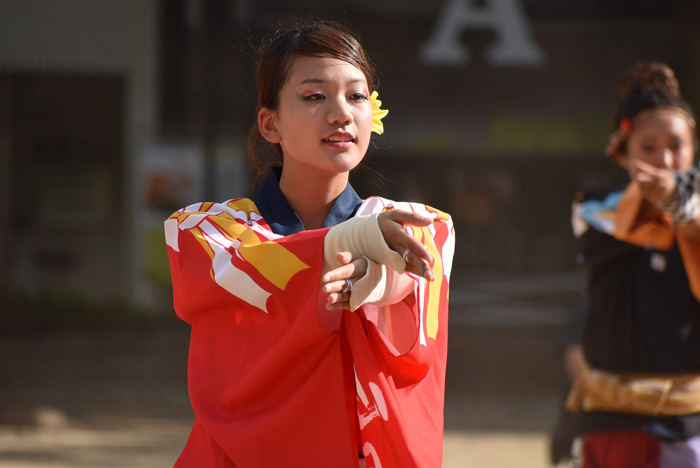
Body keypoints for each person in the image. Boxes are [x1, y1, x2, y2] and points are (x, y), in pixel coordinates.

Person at [164, 21, 455, 468]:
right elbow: (253, 265)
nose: (341, 113)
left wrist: (376, 271)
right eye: (315, 96)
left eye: (356, 96)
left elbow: (414, 262)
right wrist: (352, 242)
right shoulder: (204, 230)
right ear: (270, 123)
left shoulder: (416, 223)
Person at [565, 61, 700, 467]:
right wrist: (675, 205)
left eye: (676, 145)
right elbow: (638, 224)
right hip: (613, 421)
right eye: (648, 146)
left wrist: (682, 207)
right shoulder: (593, 210)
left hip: (689, 422)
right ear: (620, 152)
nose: (664, 158)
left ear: (693, 150)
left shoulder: (693, 213)